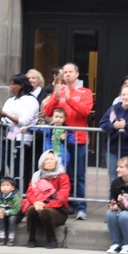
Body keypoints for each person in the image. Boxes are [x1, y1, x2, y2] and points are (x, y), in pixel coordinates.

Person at [42, 62, 92, 219]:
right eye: (65, 72)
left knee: (79, 175)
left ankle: (81, 207)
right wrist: (56, 98)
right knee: (63, 175)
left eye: (71, 72)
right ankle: (66, 204)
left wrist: (69, 99)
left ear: (77, 74)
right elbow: (47, 112)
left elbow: (85, 111)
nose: (68, 74)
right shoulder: (59, 90)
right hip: (59, 141)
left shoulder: (85, 92)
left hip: (78, 139)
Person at [21, 149, 70, 248]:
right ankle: (31, 239)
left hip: (58, 211)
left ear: (56, 161)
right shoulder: (37, 176)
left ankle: (52, 240)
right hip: (38, 206)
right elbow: (29, 192)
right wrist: (35, 203)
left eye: (52, 159)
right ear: (41, 162)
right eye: (46, 159)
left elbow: (62, 197)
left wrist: (45, 205)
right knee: (31, 210)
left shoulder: (63, 177)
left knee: (45, 212)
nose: (49, 161)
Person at [0, 74, 40, 189]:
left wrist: (6, 115)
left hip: (24, 136)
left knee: (18, 164)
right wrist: (1, 116)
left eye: (13, 84)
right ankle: (5, 183)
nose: (10, 87)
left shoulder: (31, 101)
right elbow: (4, 119)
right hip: (12, 134)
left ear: (20, 85)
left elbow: (24, 121)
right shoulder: (10, 100)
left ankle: (20, 189)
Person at [99, 83, 128, 174]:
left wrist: (126, 125)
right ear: (120, 96)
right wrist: (114, 126)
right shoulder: (113, 109)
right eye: (123, 94)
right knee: (114, 177)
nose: (126, 97)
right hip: (112, 149)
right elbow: (103, 123)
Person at [0, 177, 21, 245]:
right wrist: (0, 211)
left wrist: (6, 212)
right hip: (4, 213)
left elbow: (16, 209)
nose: (4, 187)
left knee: (12, 219)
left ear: (12, 188)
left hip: (15, 214)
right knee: (0, 217)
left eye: (7, 185)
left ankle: (11, 238)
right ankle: (1, 236)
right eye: (3, 185)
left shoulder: (16, 197)